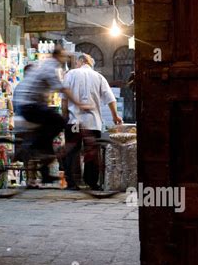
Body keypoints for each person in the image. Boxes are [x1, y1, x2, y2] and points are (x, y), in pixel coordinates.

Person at [16, 46, 90, 184]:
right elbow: (63, 89)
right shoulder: (50, 66)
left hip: (29, 104)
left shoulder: (47, 65)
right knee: (59, 122)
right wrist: (79, 104)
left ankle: (45, 169)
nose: (65, 59)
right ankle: (38, 149)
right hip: (27, 105)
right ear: (58, 56)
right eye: (63, 56)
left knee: (49, 132)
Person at [62, 52, 123, 190]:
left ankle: (72, 183)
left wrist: (64, 116)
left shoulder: (71, 74)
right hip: (93, 123)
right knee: (92, 152)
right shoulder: (99, 77)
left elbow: (64, 99)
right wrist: (115, 116)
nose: (76, 64)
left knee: (72, 151)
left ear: (81, 61)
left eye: (77, 62)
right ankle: (92, 183)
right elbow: (110, 97)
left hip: (74, 121)